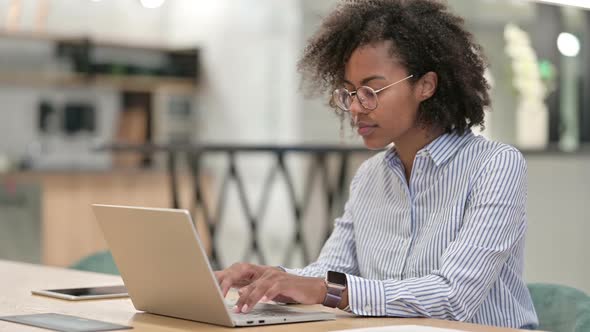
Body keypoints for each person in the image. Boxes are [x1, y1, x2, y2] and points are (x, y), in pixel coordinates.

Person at [215, 0, 539, 328]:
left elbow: (453, 297)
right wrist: (272, 278)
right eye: (351, 92)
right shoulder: (371, 175)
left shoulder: (495, 166)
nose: (356, 108)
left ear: (426, 85)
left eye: (372, 90)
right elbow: (332, 272)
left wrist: (327, 290)